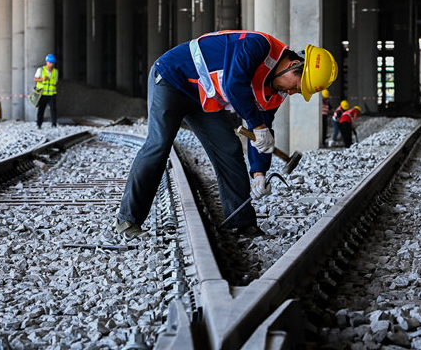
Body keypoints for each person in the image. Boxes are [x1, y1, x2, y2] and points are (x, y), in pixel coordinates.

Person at [114, 30, 338, 239]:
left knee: (229, 148)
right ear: (293, 65)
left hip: (202, 97)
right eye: (296, 86)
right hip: (171, 79)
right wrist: (259, 126)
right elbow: (234, 85)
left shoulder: (275, 93)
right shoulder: (257, 45)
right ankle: (128, 221)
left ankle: (241, 223)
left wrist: (259, 172)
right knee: (159, 145)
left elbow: (261, 134)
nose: (291, 92)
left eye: (297, 92)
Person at [34, 54, 58, 129]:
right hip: (42, 93)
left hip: (51, 94)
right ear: (46, 62)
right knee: (41, 109)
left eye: (53, 63)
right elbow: (35, 79)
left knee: (53, 109)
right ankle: (39, 124)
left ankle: (54, 124)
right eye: (50, 63)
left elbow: (55, 82)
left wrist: (55, 88)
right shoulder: (40, 70)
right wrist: (42, 79)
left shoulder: (55, 72)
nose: (51, 64)